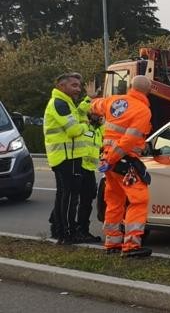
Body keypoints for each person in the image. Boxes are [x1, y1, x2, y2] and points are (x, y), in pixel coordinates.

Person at [86, 75, 153, 258]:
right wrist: (114, 158)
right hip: (123, 161)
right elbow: (129, 139)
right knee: (138, 200)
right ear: (148, 90)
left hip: (108, 160)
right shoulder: (142, 110)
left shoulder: (114, 101)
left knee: (114, 200)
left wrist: (91, 97)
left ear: (131, 86)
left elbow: (95, 106)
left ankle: (112, 242)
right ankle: (131, 245)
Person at [43, 72, 93, 244]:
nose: (78, 89)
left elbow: (77, 116)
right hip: (67, 157)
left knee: (64, 195)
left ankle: (59, 231)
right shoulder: (60, 103)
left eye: (79, 85)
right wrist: (85, 124)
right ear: (61, 86)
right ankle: (67, 234)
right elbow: (73, 130)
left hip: (66, 157)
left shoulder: (65, 102)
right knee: (70, 197)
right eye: (74, 85)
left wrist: (88, 101)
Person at [74, 97, 103, 243]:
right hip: (78, 166)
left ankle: (81, 229)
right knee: (72, 198)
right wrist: (90, 99)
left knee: (87, 198)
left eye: (100, 113)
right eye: (96, 113)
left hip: (89, 169)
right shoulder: (82, 123)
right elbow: (80, 110)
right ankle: (75, 229)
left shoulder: (99, 129)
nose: (98, 115)